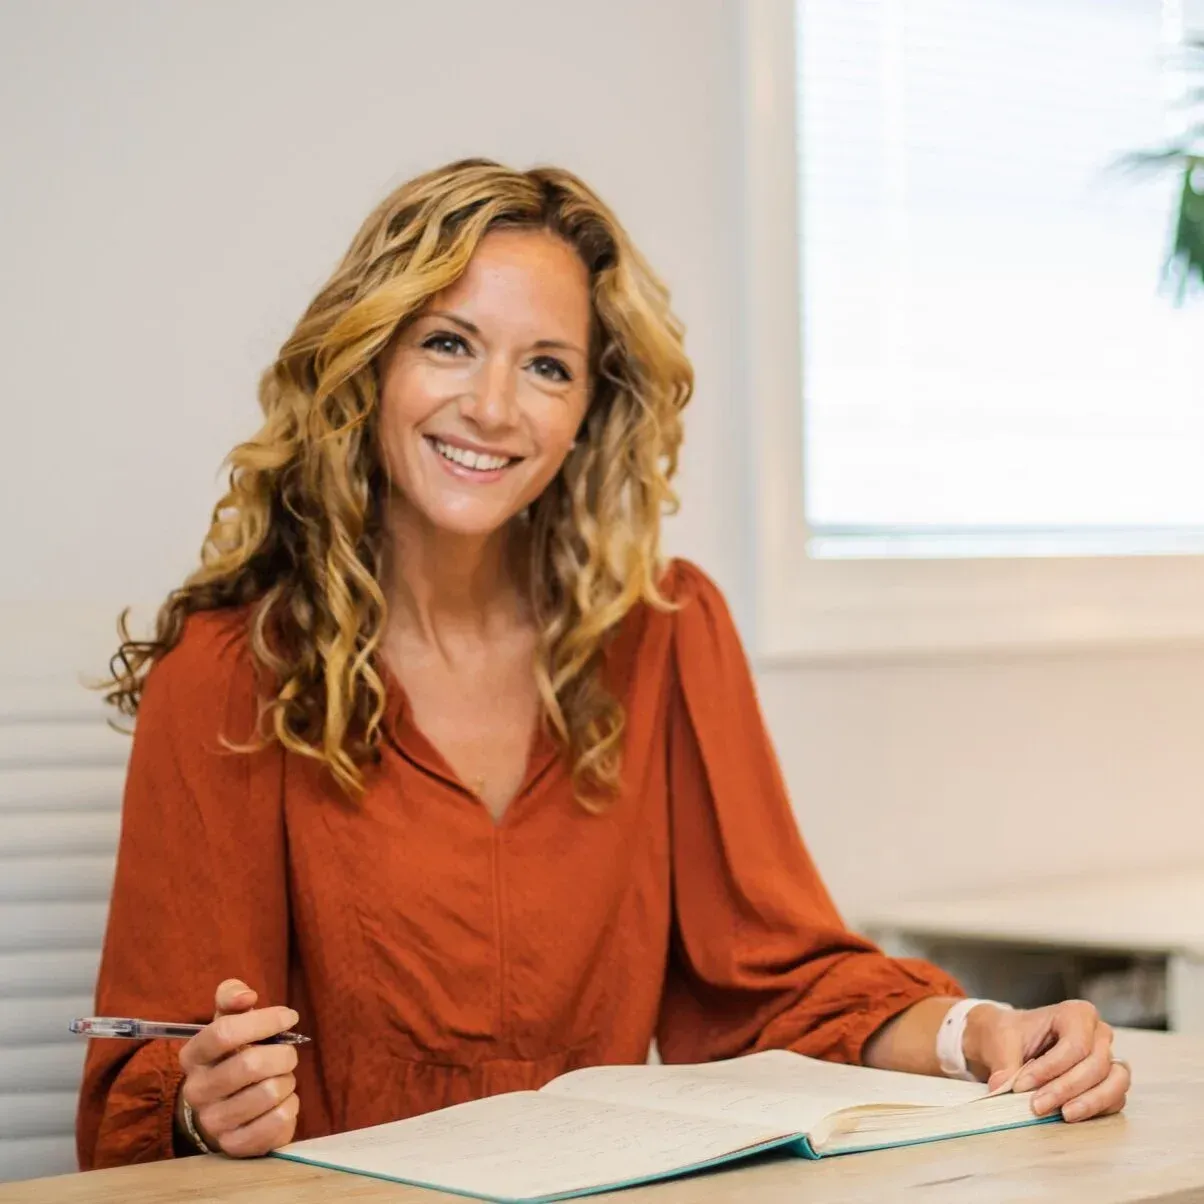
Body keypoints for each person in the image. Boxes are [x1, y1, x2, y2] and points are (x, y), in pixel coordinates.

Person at [76, 159, 1129, 1169]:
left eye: (545, 365)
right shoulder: (229, 671)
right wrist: (205, 1103)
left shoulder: (667, 633)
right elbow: (148, 1074)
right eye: (449, 343)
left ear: (585, 413)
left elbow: (775, 980)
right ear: (369, 364)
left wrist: (987, 1031)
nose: (493, 406)